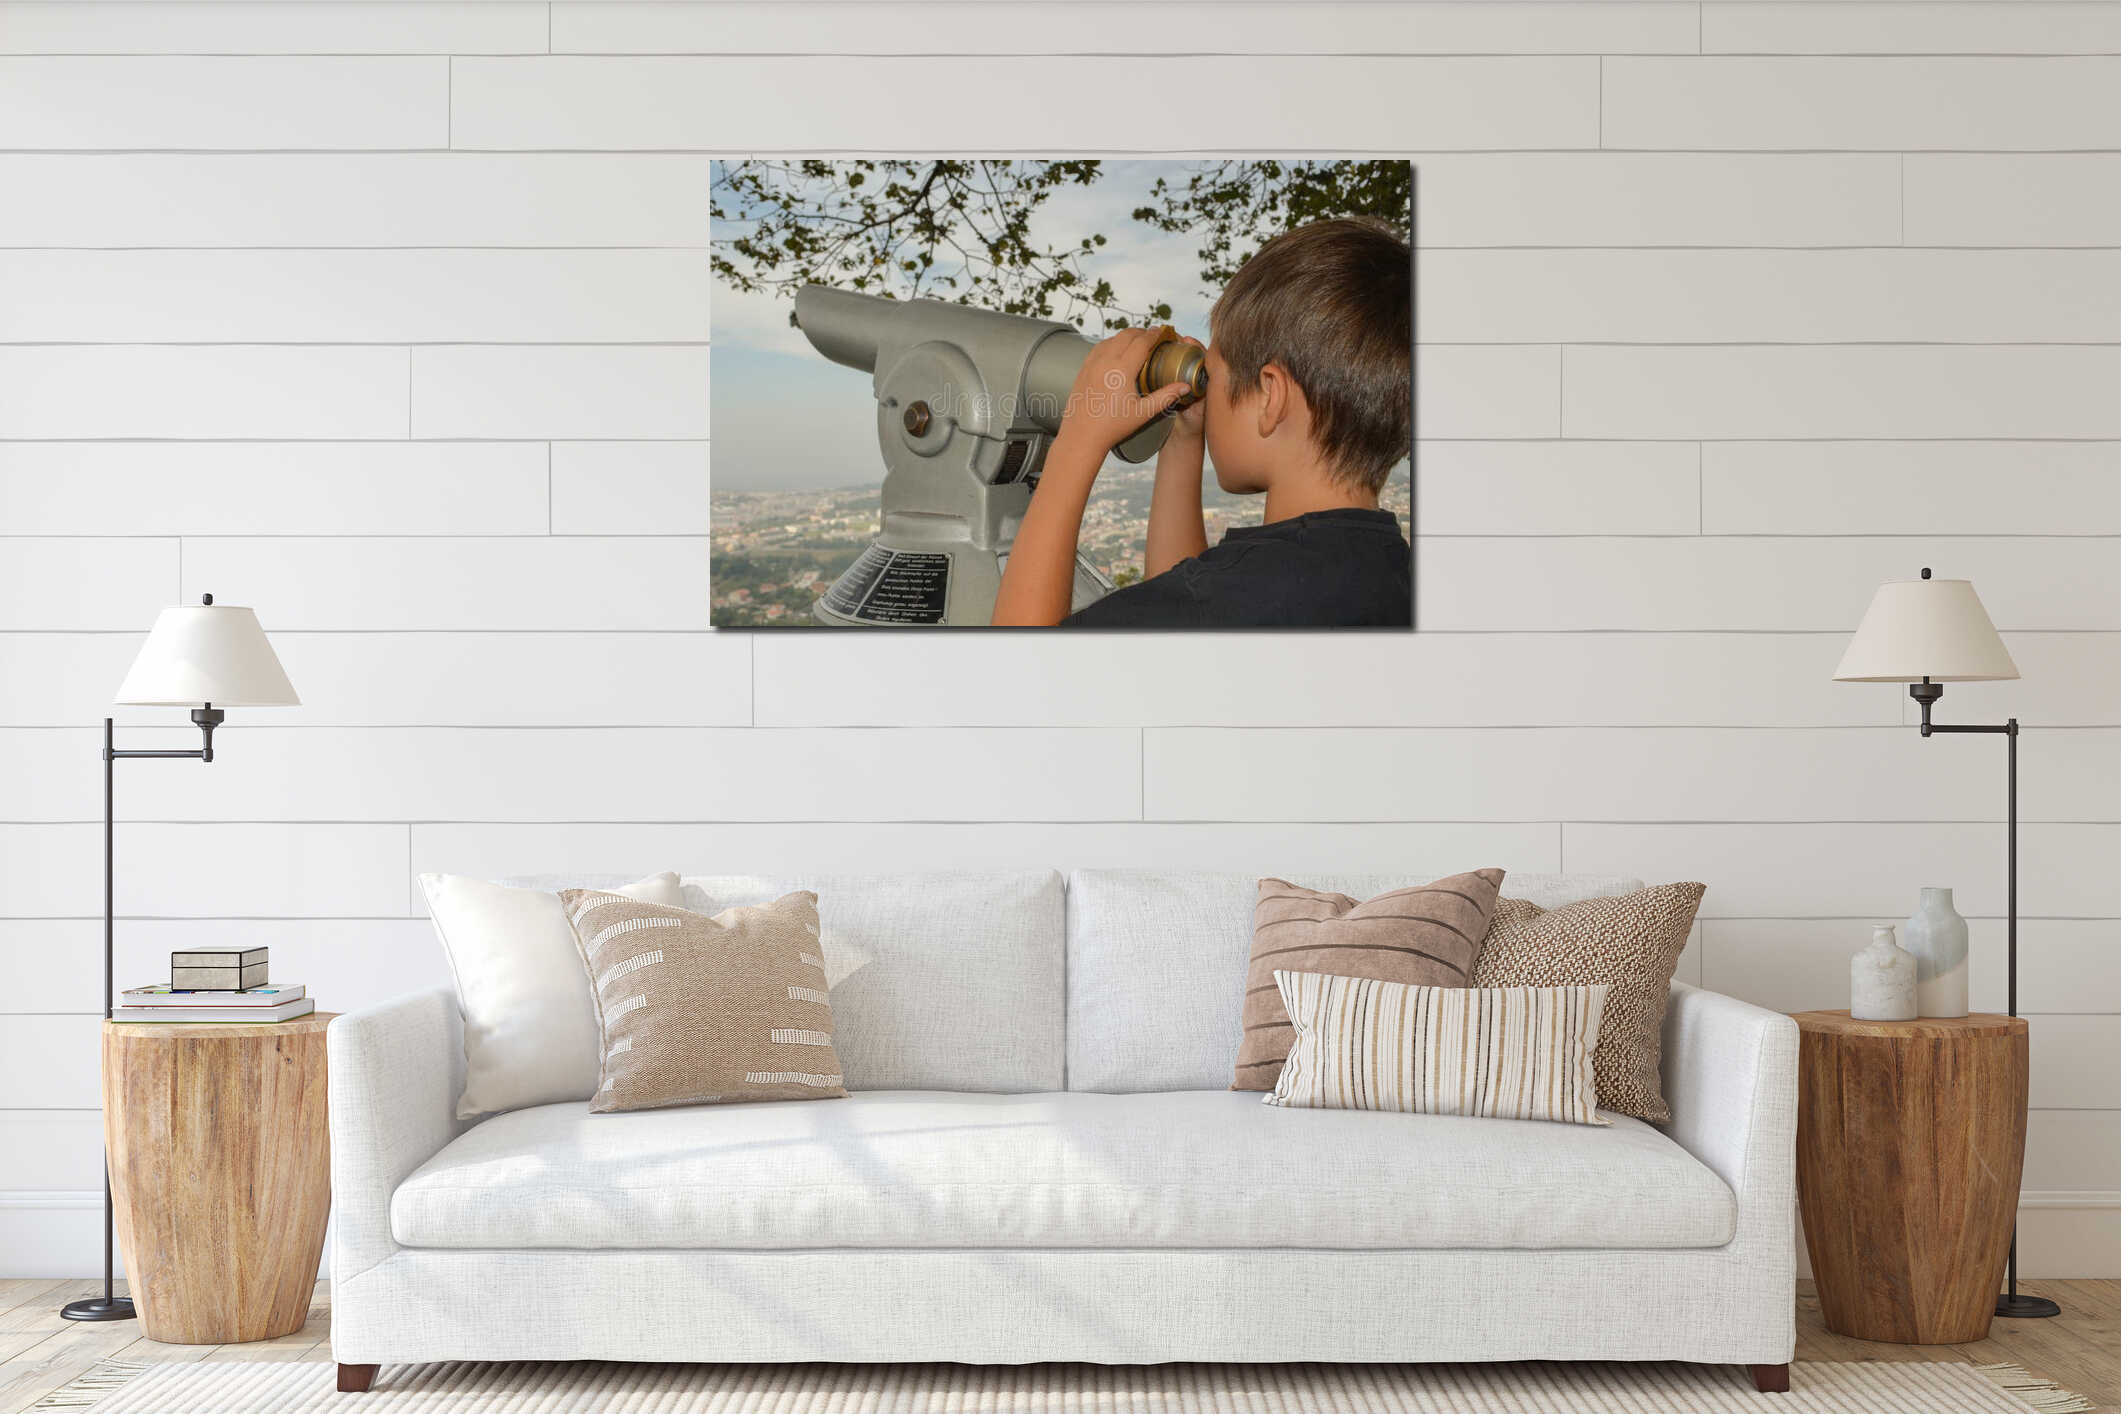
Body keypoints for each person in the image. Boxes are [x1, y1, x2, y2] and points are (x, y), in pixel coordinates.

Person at [990, 217, 1411, 628]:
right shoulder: (1394, 576)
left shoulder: (1226, 600)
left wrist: (1078, 439)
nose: (1208, 392)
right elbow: (1180, 599)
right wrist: (1183, 439)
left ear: (1271, 395)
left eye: (1212, 373)